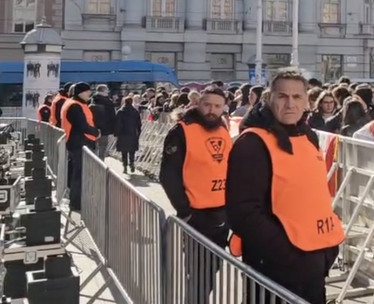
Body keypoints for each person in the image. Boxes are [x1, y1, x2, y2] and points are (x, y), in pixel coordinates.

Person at [226, 68, 343, 304]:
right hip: (274, 267)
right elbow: (244, 212)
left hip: (313, 261)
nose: (290, 104)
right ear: (270, 98)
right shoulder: (252, 143)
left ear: (307, 101)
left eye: (297, 96)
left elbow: (314, 195)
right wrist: (287, 253)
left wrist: (326, 251)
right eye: (282, 96)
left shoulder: (307, 136)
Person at [159, 87, 231, 302]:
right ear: (199, 104)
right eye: (207, 104)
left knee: (212, 269)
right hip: (196, 215)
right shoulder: (181, 131)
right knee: (198, 272)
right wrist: (185, 210)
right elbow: (168, 175)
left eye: (217, 106)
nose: (212, 110)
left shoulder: (222, 129)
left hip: (222, 213)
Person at [61, 82, 98, 211]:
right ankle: (76, 203)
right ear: (81, 93)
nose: (90, 94)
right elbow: (82, 125)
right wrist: (96, 132)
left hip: (75, 142)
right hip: (79, 143)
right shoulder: (75, 106)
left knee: (76, 172)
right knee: (79, 174)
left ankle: (76, 200)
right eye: (87, 91)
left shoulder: (74, 104)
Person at [89, 84, 117, 160]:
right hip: (105, 128)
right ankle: (101, 161)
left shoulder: (91, 100)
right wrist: (113, 129)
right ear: (103, 91)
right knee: (103, 145)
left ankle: (92, 161)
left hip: (92, 127)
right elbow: (112, 116)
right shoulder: (108, 102)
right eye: (107, 90)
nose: (108, 91)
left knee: (93, 146)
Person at [115, 96, 142, 173]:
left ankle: (125, 166)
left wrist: (116, 132)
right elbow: (139, 124)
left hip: (123, 134)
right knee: (132, 151)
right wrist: (138, 133)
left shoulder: (120, 111)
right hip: (132, 133)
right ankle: (132, 163)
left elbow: (117, 123)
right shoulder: (135, 112)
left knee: (124, 151)